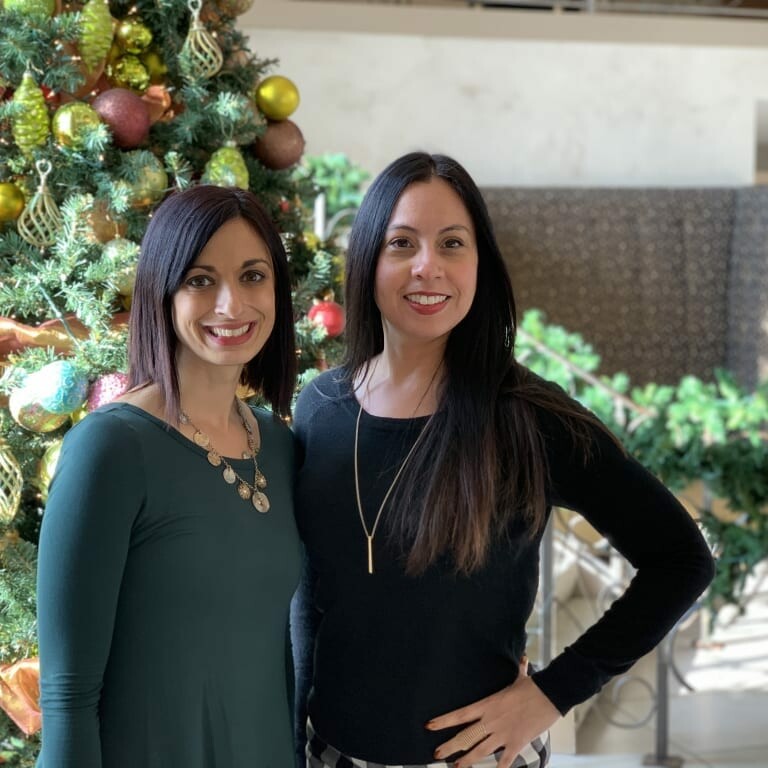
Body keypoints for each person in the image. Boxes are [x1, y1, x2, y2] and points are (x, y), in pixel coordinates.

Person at [291, 152, 715, 768]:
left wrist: (551, 694)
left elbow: (681, 559)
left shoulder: (528, 416)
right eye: (401, 242)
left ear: (480, 264)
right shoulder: (319, 407)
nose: (427, 266)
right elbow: (309, 597)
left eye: (452, 243)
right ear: (368, 261)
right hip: (330, 752)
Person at [36, 185, 299, 768]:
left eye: (253, 276)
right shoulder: (110, 449)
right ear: (163, 291)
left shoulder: (277, 445)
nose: (232, 305)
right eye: (201, 280)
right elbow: (67, 696)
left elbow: (280, 650)